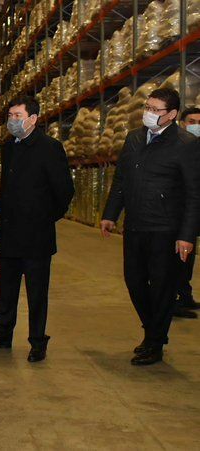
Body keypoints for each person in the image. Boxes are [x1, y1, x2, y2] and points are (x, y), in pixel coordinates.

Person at [101, 88, 200, 366]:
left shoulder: (186, 144)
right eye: (148, 107)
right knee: (133, 281)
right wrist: (110, 214)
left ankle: (154, 342)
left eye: (156, 110)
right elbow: (121, 179)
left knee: (161, 288)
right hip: (135, 224)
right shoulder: (134, 138)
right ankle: (153, 331)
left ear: (172, 114)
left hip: (166, 229)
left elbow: (194, 194)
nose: (148, 113)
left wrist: (187, 235)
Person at [0, 96, 74, 363]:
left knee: (36, 292)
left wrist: (44, 218)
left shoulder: (49, 148)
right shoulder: (9, 147)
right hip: (10, 231)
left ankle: (37, 341)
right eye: (10, 116)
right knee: (7, 289)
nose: (12, 121)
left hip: (36, 235)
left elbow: (64, 191)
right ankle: (1, 334)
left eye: (18, 116)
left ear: (33, 119)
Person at [173, 107, 200, 318]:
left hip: (192, 211)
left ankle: (184, 295)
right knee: (177, 257)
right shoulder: (178, 146)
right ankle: (173, 301)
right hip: (178, 211)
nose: (196, 126)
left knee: (188, 257)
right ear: (182, 123)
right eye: (192, 121)